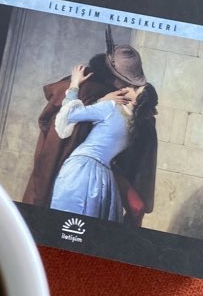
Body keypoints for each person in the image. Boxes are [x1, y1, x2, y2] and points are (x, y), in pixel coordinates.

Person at [22, 27, 157, 222]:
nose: (127, 88)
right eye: (127, 83)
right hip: (82, 161)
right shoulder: (98, 91)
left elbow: (73, 115)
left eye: (133, 87)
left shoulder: (119, 105)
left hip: (93, 167)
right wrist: (99, 100)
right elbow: (58, 117)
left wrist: (81, 89)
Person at [50, 62, 158, 222]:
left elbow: (69, 115)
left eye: (135, 89)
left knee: (67, 219)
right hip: (104, 178)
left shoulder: (111, 107)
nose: (130, 87)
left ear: (135, 101)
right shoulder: (135, 127)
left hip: (81, 170)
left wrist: (74, 84)